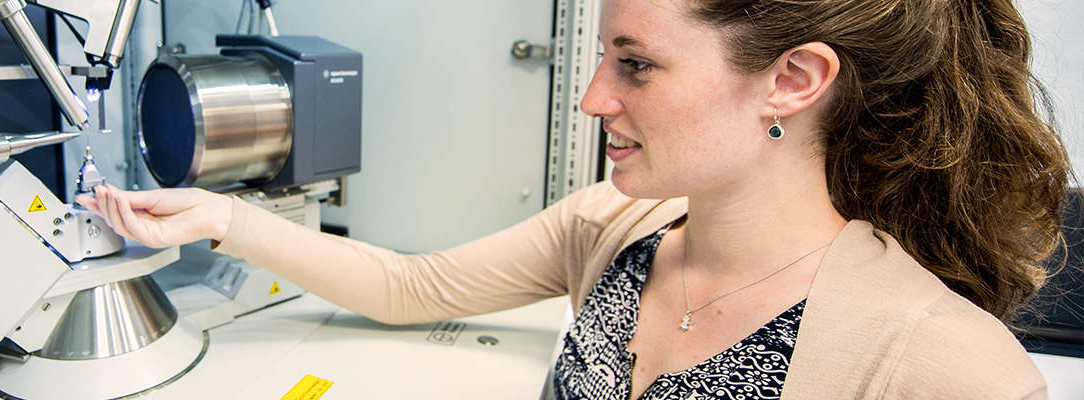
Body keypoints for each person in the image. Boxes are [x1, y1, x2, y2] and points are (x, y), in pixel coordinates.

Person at [78, 0, 1069, 398]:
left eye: (635, 65)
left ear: (794, 80)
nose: (596, 97)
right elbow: (409, 285)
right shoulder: (616, 231)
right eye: (601, 56)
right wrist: (224, 219)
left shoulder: (941, 361)